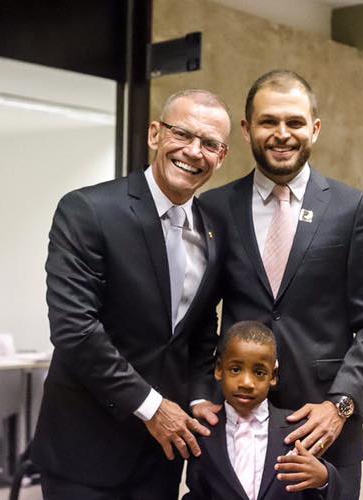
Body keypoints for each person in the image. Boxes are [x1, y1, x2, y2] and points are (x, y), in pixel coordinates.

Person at [195, 70, 363, 499]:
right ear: (247, 128)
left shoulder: (351, 209)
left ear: (315, 129)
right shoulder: (214, 208)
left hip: (322, 427)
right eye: (268, 122)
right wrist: (201, 394)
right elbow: (195, 319)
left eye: (295, 122)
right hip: (233, 427)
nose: (281, 134)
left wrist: (341, 406)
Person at [31, 89, 231, 500]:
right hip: (85, 453)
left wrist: (198, 396)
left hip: (162, 454)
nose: (194, 152)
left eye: (209, 144)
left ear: (221, 157)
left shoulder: (214, 229)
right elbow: (75, 329)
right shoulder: (88, 210)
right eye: (183, 134)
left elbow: (198, 331)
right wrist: (152, 407)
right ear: (155, 134)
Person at [184, 321, 341, 500]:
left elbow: (319, 491)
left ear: (273, 376)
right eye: (236, 369)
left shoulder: (298, 430)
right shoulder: (204, 434)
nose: (247, 383)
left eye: (259, 373)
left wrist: (324, 478)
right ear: (219, 369)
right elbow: (196, 493)